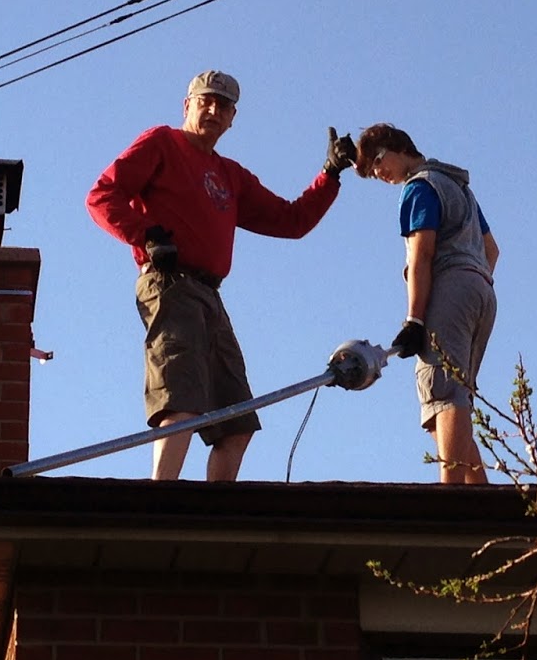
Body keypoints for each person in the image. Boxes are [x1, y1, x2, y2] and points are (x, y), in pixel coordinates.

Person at [87, 70, 356, 481]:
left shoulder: (229, 174)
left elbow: (291, 220)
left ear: (233, 118)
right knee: (181, 400)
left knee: (237, 420)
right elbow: (102, 195)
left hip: (209, 293)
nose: (214, 109)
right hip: (169, 283)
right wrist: (148, 235)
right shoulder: (163, 143)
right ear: (187, 105)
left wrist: (330, 174)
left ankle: (215, 515)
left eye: (224, 105)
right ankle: (159, 503)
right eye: (206, 100)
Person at [355, 123, 498, 485]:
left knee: (443, 391)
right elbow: (492, 249)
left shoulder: (419, 187)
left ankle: (450, 499)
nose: (379, 174)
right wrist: (471, 280)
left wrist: (415, 320)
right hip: (480, 289)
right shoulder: (456, 186)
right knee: (452, 400)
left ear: (393, 149)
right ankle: (480, 494)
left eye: (376, 164)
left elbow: (422, 254)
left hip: (450, 288)